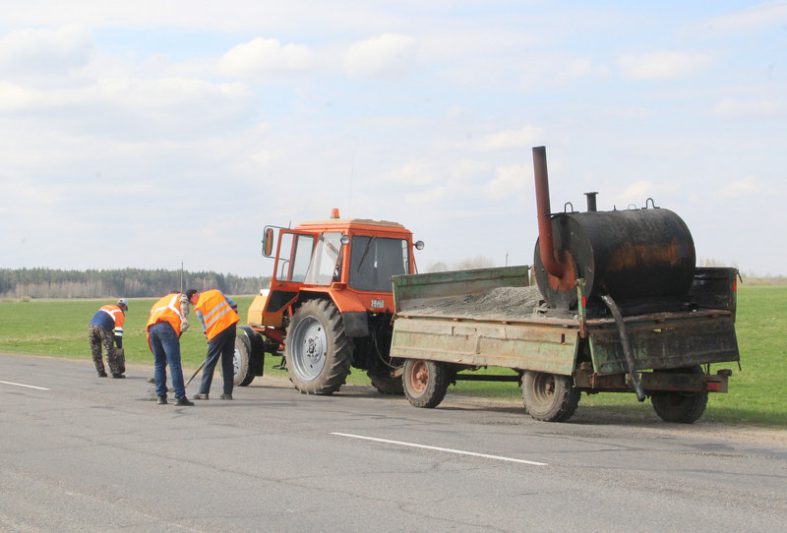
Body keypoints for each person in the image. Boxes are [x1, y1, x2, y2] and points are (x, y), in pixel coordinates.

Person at [188, 289, 240, 401]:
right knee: (227, 361)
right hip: (231, 327)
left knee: (210, 362)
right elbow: (234, 305)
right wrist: (231, 320)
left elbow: (205, 328)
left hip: (217, 332)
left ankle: (203, 392)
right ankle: (227, 393)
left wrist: (209, 341)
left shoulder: (199, 307)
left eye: (191, 302)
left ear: (193, 296)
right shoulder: (216, 293)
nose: (193, 304)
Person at [146, 292, 194, 406]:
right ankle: (180, 396)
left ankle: (161, 396)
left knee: (159, 363)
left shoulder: (161, 301)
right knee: (174, 364)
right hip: (166, 328)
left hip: (152, 328)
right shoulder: (179, 296)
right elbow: (184, 304)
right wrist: (184, 319)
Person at [88, 298, 128, 378]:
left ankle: (101, 372)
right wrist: (119, 347)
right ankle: (115, 372)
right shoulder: (119, 313)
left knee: (96, 351)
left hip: (91, 326)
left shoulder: (106, 306)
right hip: (103, 328)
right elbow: (118, 333)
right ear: (124, 307)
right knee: (109, 350)